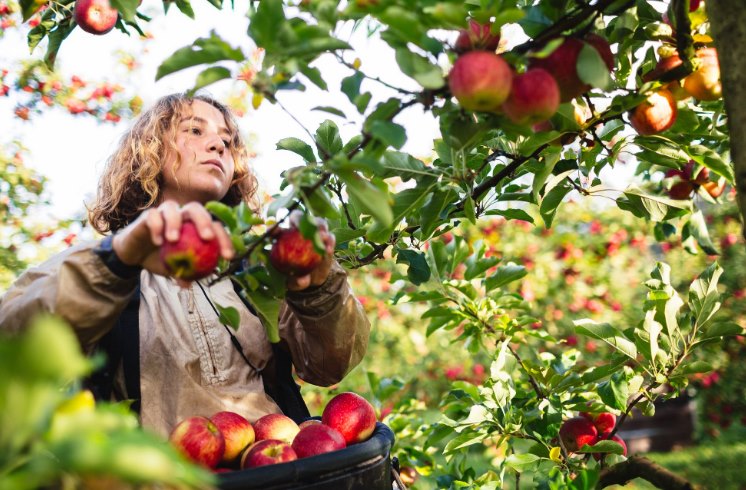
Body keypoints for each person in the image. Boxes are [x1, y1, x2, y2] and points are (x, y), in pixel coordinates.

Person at [0, 93, 370, 438]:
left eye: (227, 140)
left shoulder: (256, 270)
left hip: (274, 469)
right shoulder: (102, 264)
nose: (218, 145)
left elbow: (330, 366)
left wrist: (320, 290)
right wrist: (118, 262)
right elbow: (13, 342)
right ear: (150, 151)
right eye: (194, 130)